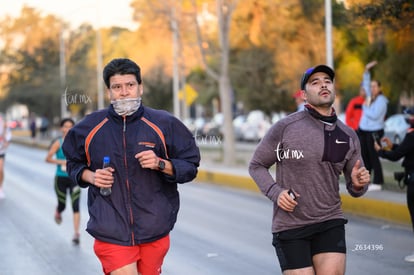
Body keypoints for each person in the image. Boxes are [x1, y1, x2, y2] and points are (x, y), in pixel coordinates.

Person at [62, 58, 200, 275]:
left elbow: (190, 165)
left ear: (140, 87)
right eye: (117, 87)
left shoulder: (164, 123)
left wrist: (160, 163)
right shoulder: (89, 127)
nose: (124, 92)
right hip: (110, 228)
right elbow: (72, 163)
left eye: (130, 85)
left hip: (154, 228)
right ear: (109, 91)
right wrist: (91, 176)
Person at [249, 65, 370, 274]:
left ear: (333, 88)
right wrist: (276, 193)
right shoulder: (286, 127)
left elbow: (354, 185)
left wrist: (359, 184)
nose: (323, 84)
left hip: (330, 220)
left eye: (327, 80)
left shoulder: (348, 135)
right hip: (291, 225)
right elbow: (256, 165)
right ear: (304, 95)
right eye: (315, 82)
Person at [374, 107, 414, 262]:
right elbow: (406, 150)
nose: (408, 118)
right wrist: (391, 146)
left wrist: (380, 151)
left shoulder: (411, 135)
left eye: (410, 115)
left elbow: (397, 156)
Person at [45, 118, 81, 244]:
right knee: (63, 204)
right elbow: (48, 159)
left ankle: (76, 233)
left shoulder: (77, 143)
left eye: (70, 126)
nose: (68, 129)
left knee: (76, 205)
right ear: (61, 128)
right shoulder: (58, 143)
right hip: (60, 178)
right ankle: (58, 210)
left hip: (74, 178)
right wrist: (62, 162)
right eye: (65, 126)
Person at [357, 61, 388, 190]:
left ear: (380, 88)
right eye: (371, 86)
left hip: (375, 132)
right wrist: (366, 70)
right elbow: (365, 83)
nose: (372, 88)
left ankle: (378, 182)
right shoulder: (370, 98)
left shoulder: (382, 101)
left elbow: (375, 115)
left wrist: (364, 107)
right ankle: (366, 180)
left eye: (375, 86)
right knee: (365, 157)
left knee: (374, 156)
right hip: (364, 131)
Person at [0, 114, 12, 199]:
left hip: (1, 151)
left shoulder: (4, 125)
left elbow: (8, 140)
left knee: (0, 169)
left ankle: (0, 188)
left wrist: (4, 132)